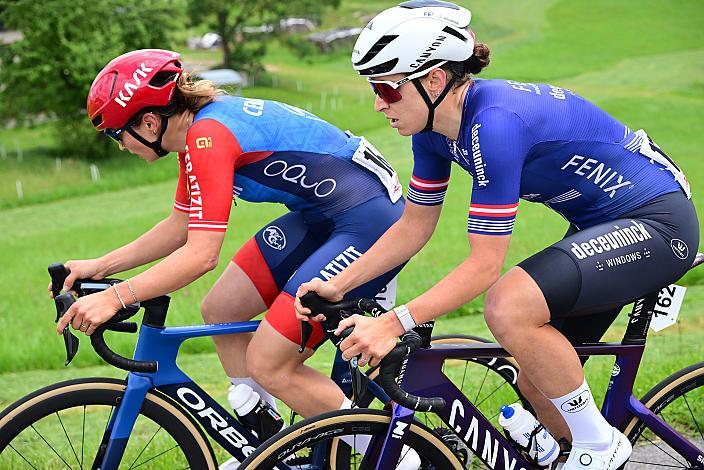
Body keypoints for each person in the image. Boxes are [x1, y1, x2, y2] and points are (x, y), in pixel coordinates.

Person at [295, 2, 699, 469]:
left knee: (509, 305)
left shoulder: (495, 123)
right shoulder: (431, 131)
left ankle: (601, 448)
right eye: (373, 89)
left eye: (387, 88)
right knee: (537, 381)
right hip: (602, 225)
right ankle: (587, 451)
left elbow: (485, 265)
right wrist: (338, 284)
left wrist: (393, 322)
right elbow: (414, 224)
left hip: (657, 222)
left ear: (433, 80)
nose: (378, 104)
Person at [54, 49, 406, 431]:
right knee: (222, 308)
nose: (120, 145)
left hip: (368, 221)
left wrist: (115, 297)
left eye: (116, 133)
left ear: (150, 122)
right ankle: (268, 439)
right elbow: (181, 225)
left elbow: (201, 256)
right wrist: (98, 267)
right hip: (324, 216)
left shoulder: (208, 137)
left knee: (270, 362)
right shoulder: (196, 134)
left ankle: (399, 454)